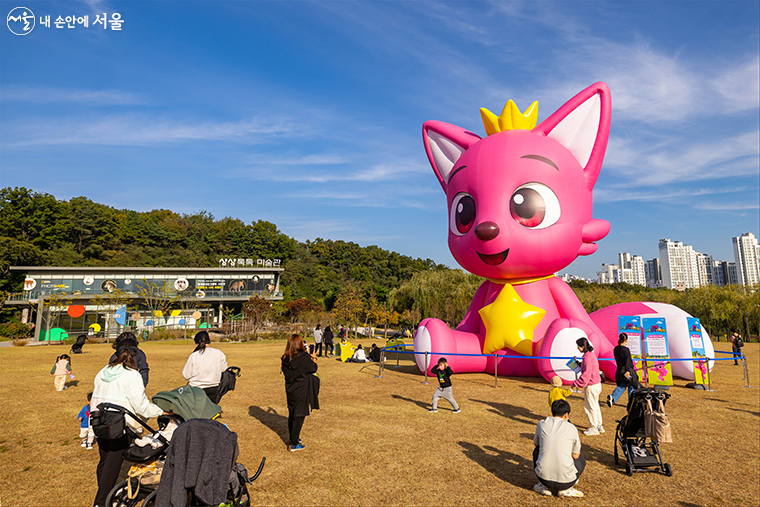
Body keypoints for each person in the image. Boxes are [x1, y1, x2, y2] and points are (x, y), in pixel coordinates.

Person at [91, 342, 166, 507]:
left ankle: (106, 493)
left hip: (99, 421)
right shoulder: (133, 375)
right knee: (113, 462)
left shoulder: (103, 371)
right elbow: (141, 406)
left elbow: (95, 397)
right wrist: (162, 412)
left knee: (104, 461)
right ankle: (101, 501)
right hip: (119, 424)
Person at [532, 399, 585, 497]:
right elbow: (576, 455)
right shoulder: (572, 428)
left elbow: (536, 444)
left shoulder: (542, 424)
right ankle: (566, 488)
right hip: (566, 481)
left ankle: (543, 486)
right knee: (580, 458)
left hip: (543, 478)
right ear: (566, 415)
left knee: (536, 451)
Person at [281, 334, 319, 452]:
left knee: (292, 413)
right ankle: (294, 443)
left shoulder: (285, 358)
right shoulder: (303, 357)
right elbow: (313, 368)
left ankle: (293, 437)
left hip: (290, 389)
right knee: (299, 415)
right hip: (302, 389)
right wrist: (313, 358)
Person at [182, 331, 228, 404]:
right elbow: (223, 368)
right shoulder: (219, 353)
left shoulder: (194, 355)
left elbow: (186, 375)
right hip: (214, 387)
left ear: (197, 343)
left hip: (196, 389)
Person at [572, 337, 603, 436]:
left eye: (578, 347)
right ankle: (598, 425)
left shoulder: (587, 357)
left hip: (591, 386)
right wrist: (579, 364)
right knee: (595, 406)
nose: (578, 348)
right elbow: (588, 367)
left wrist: (576, 383)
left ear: (582, 346)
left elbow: (586, 374)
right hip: (596, 384)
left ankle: (594, 427)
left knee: (590, 407)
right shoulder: (590, 355)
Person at [607, 333, 640, 407]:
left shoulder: (616, 349)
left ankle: (613, 397)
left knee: (622, 386)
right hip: (627, 371)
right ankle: (631, 403)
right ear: (626, 340)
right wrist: (628, 371)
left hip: (619, 371)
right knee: (632, 385)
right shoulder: (626, 350)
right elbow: (627, 361)